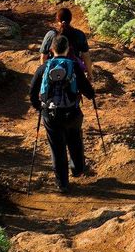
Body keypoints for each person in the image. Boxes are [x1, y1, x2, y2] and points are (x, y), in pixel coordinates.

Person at [29, 34, 97, 192]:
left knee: (57, 148)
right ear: (69, 49)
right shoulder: (74, 66)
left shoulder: (43, 68)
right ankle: (78, 169)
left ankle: (62, 184)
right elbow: (88, 92)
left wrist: (40, 108)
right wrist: (91, 94)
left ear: (51, 49)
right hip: (72, 112)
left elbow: (32, 94)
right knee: (75, 140)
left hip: (50, 115)